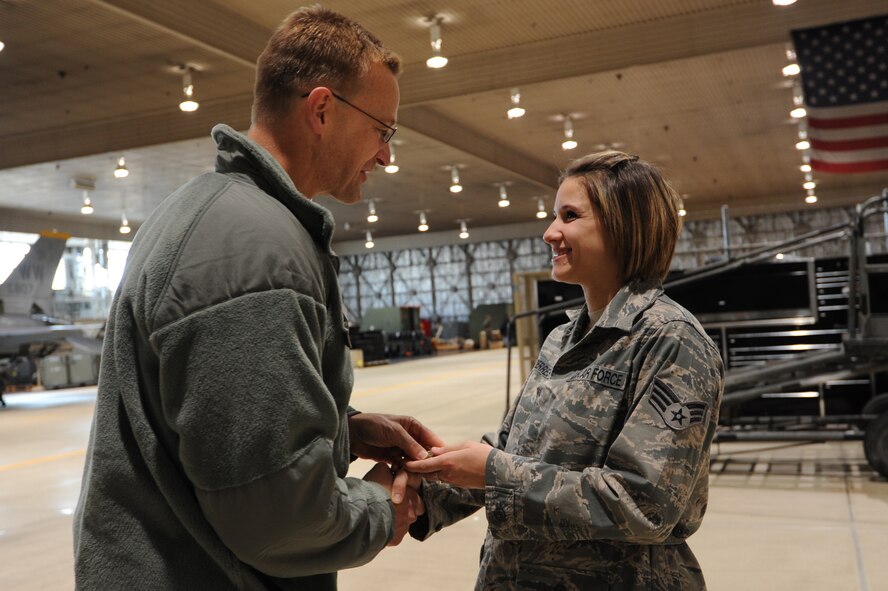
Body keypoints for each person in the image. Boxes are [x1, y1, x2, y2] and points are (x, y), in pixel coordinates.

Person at [74, 7, 441, 590]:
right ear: (322, 109)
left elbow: (212, 433)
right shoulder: (255, 251)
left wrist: (342, 431)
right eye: (383, 129)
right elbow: (278, 521)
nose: (386, 154)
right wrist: (381, 510)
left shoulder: (208, 214)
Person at [406, 151, 725, 590]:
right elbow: (512, 451)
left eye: (569, 216)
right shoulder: (561, 339)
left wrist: (495, 472)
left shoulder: (671, 340)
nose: (549, 232)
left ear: (623, 224)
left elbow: (645, 503)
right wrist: (422, 491)